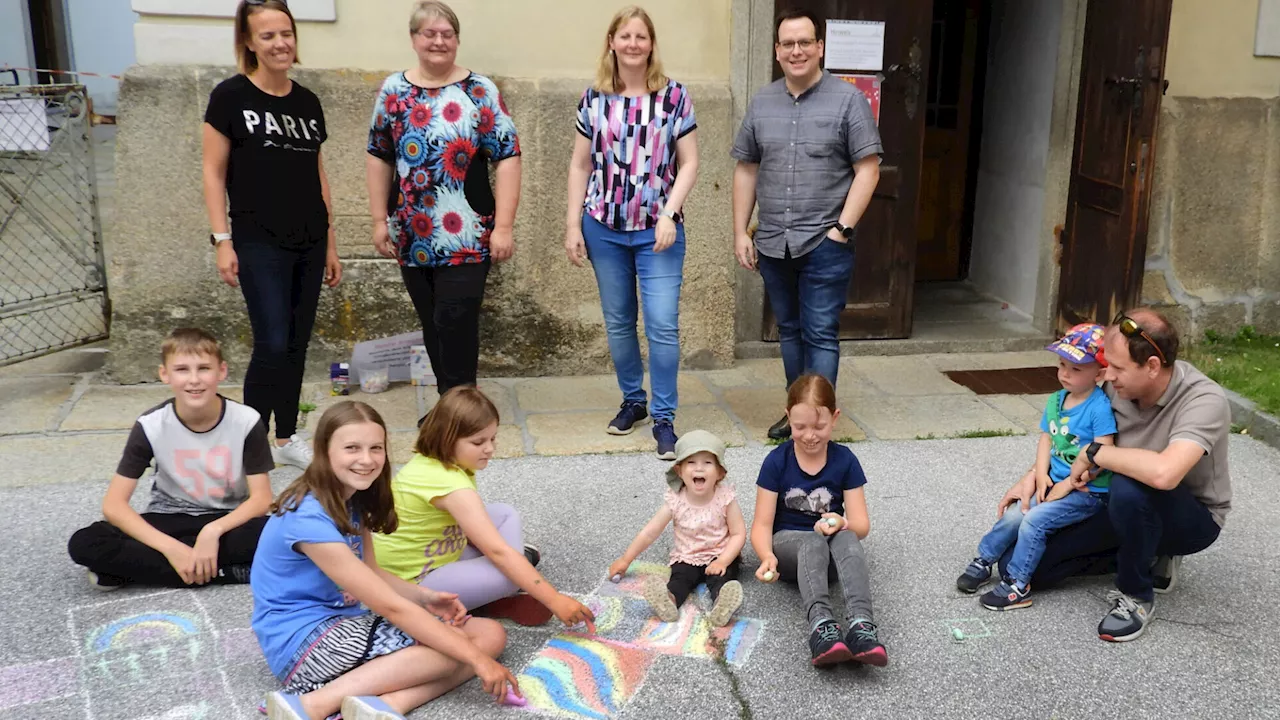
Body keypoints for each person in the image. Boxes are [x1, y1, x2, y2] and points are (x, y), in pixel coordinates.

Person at [252, 400, 520, 720]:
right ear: (322, 450)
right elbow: (390, 606)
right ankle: (314, 704)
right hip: (304, 647)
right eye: (352, 448)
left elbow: (372, 571)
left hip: (345, 627)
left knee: (489, 635)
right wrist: (479, 662)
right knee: (463, 648)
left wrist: (426, 596)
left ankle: (389, 704)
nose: (366, 460)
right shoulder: (306, 517)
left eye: (375, 448)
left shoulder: (354, 498)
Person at [994, 308, 1232, 643]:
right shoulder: (1111, 386)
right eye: (1106, 364)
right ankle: (1138, 552)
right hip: (1112, 502)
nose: (1108, 374)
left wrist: (1096, 454)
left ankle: (1137, 595)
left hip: (1189, 518)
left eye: (1118, 368)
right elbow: (1069, 438)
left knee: (1131, 482)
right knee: (1017, 567)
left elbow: (1165, 474)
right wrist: (1034, 475)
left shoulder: (1203, 399)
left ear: (1151, 366)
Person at [730, 8, 882, 441]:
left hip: (824, 241)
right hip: (774, 241)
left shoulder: (848, 100)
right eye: (787, 44)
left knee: (819, 332)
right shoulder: (762, 101)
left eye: (804, 43)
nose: (796, 51)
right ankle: (798, 413)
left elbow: (867, 169)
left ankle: (818, 423)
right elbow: (747, 168)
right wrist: (742, 230)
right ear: (777, 51)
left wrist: (842, 230)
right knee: (790, 330)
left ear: (820, 48)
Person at [202, 0, 341, 469]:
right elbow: (212, 172)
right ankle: (250, 443)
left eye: (286, 33)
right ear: (248, 42)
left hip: (310, 237)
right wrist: (222, 239)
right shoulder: (230, 97)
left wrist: (331, 243)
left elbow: (317, 174)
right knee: (273, 342)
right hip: (258, 239)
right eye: (268, 36)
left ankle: (286, 437)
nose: (280, 43)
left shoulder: (308, 102)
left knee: (299, 342)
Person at [366, 0, 521, 406]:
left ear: (456, 40)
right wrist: (379, 219)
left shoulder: (479, 91)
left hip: (468, 231)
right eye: (429, 33)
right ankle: (448, 403)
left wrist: (503, 226)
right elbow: (379, 154)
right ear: (414, 39)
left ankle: (460, 407)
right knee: (432, 323)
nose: (438, 41)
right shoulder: (393, 90)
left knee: (455, 319)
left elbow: (507, 156)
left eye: (446, 34)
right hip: (411, 231)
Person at [564, 5, 700, 460]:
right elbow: (580, 164)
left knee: (661, 325)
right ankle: (633, 401)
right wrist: (572, 225)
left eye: (641, 36)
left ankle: (664, 417)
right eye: (625, 36)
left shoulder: (674, 96)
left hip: (658, 233)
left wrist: (669, 212)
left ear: (651, 44)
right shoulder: (593, 99)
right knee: (620, 322)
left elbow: (690, 162)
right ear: (612, 42)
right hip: (602, 226)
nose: (633, 44)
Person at [372, 386, 597, 631]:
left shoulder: (438, 461)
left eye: (492, 438)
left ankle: (491, 587)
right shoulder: (451, 486)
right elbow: (498, 551)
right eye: (478, 441)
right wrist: (554, 599)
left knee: (503, 513)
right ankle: (487, 596)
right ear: (446, 438)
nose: (489, 448)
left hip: (433, 553)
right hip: (413, 584)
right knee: (507, 572)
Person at [67, 328, 273, 589]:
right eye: (182, 369)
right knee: (87, 542)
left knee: (288, 531)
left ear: (221, 371)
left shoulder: (247, 421)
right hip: (170, 518)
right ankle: (226, 572)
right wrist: (171, 549)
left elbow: (262, 499)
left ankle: (133, 571)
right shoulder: (150, 425)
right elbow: (114, 505)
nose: (194, 379)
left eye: (204, 369)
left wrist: (212, 532)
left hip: (229, 520)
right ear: (165, 374)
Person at [955, 324, 1116, 611]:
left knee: (1034, 521)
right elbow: (1046, 438)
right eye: (1062, 365)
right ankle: (984, 559)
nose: (1065, 373)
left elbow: (1102, 454)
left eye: (1076, 369)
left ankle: (1018, 586)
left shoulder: (1098, 408)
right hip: (1053, 480)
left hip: (1086, 491)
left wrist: (1067, 484)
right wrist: (1040, 473)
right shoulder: (1057, 399)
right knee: (1016, 514)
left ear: (1100, 374)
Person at [750, 374, 885, 667]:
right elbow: (762, 524)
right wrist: (765, 556)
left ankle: (862, 625)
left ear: (834, 418)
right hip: (789, 549)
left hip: (830, 554)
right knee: (812, 541)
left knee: (847, 537)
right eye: (799, 427)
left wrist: (841, 522)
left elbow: (861, 525)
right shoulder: (776, 461)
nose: (810, 435)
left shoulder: (845, 460)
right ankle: (822, 627)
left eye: (819, 426)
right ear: (788, 418)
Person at [607, 430, 746, 627]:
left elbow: (738, 533)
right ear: (680, 471)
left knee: (721, 578)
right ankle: (669, 601)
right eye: (691, 462)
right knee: (680, 580)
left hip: (719, 554)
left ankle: (722, 604)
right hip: (687, 556)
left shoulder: (725, 498)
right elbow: (649, 532)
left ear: (720, 473)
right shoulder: (675, 500)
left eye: (707, 463)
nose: (699, 469)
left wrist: (724, 560)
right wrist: (626, 559)